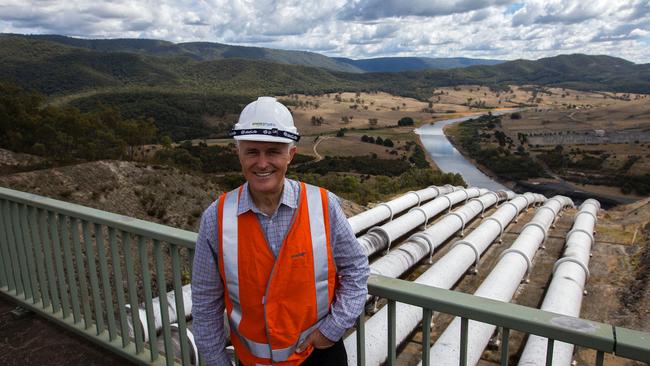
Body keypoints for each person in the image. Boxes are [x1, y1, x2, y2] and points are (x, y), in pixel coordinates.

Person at [191, 96, 369, 366]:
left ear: (291, 155)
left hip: (319, 356)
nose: (262, 163)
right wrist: (218, 362)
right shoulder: (216, 218)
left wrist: (332, 329)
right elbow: (205, 303)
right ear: (238, 153)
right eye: (252, 152)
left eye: (273, 151)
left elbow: (356, 269)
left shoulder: (323, 206)